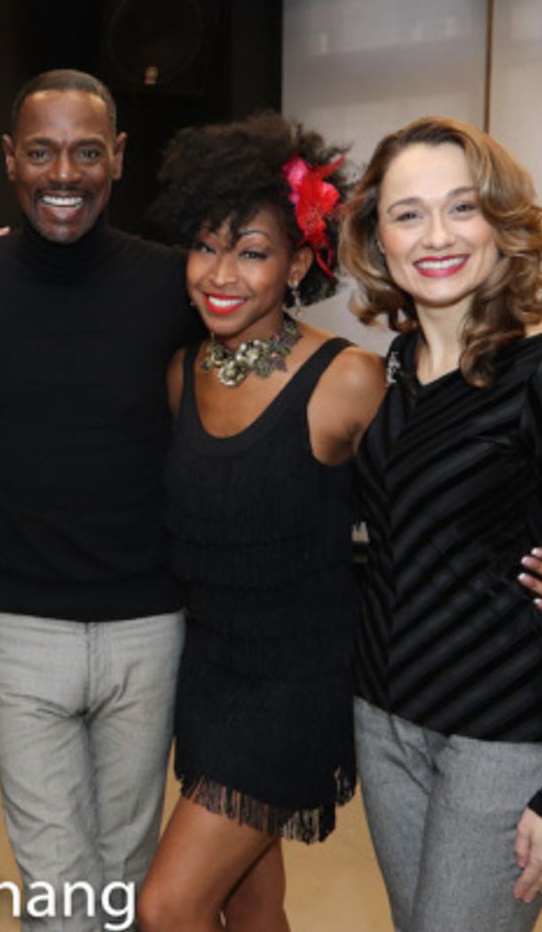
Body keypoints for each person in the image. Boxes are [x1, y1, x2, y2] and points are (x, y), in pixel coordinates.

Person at [0, 70, 198, 927]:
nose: (62, 174)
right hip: (20, 628)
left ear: (119, 157)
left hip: (149, 626)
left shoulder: (171, 283)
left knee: (126, 874)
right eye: (40, 152)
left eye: (85, 152)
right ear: (9, 158)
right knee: (58, 889)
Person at [339, 116, 542, 931]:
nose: (436, 235)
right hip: (385, 723)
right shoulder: (393, 375)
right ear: (378, 238)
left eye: (462, 207)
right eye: (408, 214)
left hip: (500, 738)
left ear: (500, 223)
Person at [134, 114, 380, 932]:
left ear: (299, 264)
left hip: (298, 684)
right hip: (209, 676)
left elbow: (423, 519)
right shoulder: (183, 373)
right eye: (206, 247)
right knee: (250, 900)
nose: (221, 273)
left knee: (167, 907)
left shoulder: (348, 380)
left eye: (251, 251)